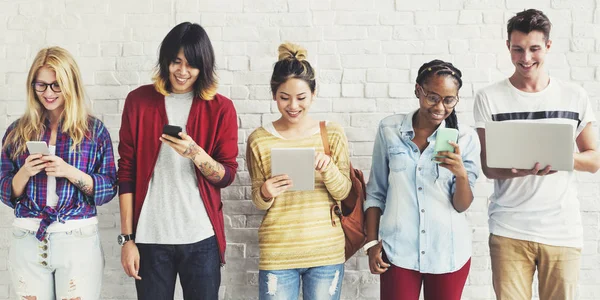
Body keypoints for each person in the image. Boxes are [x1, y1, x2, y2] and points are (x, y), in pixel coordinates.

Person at [473, 9, 600, 300]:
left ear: (548, 46)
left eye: (534, 49)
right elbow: (488, 167)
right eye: (517, 49)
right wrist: (523, 169)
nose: (526, 58)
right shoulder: (489, 98)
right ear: (508, 47)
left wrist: (558, 158)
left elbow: (593, 159)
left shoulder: (574, 95)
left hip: (562, 231)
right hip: (509, 230)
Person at [117, 22, 239, 300]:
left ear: (203, 67)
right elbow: (126, 173)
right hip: (150, 238)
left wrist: (196, 153)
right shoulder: (138, 101)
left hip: (201, 238)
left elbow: (227, 175)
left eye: (192, 65)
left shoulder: (221, 108)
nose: (182, 72)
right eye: (176, 62)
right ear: (166, 61)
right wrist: (127, 240)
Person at [0, 46, 117, 299]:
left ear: (70, 84)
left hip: (78, 238)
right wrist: (25, 172)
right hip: (27, 237)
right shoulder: (16, 131)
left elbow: (108, 189)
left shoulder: (94, 131)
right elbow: (5, 191)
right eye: (40, 85)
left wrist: (68, 172)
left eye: (56, 85)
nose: (48, 93)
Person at [364, 60, 480, 300]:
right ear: (418, 91)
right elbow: (376, 191)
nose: (440, 107)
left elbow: (461, 205)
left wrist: (460, 173)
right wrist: (371, 243)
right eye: (432, 97)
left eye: (449, 100)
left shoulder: (466, 137)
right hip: (398, 252)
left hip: (447, 252)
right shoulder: (389, 129)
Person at [246, 42, 351, 300]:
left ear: (313, 94)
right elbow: (259, 201)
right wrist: (265, 191)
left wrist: (329, 170)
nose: (293, 105)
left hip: (325, 250)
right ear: (274, 95)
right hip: (278, 252)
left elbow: (344, 191)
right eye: (284, 97)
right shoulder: (259, 139)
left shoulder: (332, 133)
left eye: (301, 98)